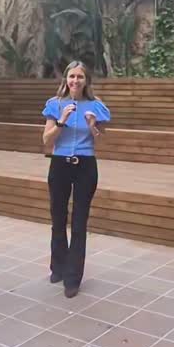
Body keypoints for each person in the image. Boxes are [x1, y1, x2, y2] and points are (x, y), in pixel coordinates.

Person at [42, 61, 111, 298]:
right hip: (60, 164)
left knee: (79, 222)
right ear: (66, 79)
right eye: (72, 76)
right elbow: (46, 141)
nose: (75, 81)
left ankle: (73, 278)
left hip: (85, 166)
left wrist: (93, 125)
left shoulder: (96, 106)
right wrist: (62, 120)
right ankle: (58, 267)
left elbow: (102, 140)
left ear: (86, 81)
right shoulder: (54, 104)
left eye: (80, 77)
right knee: (58, 218)